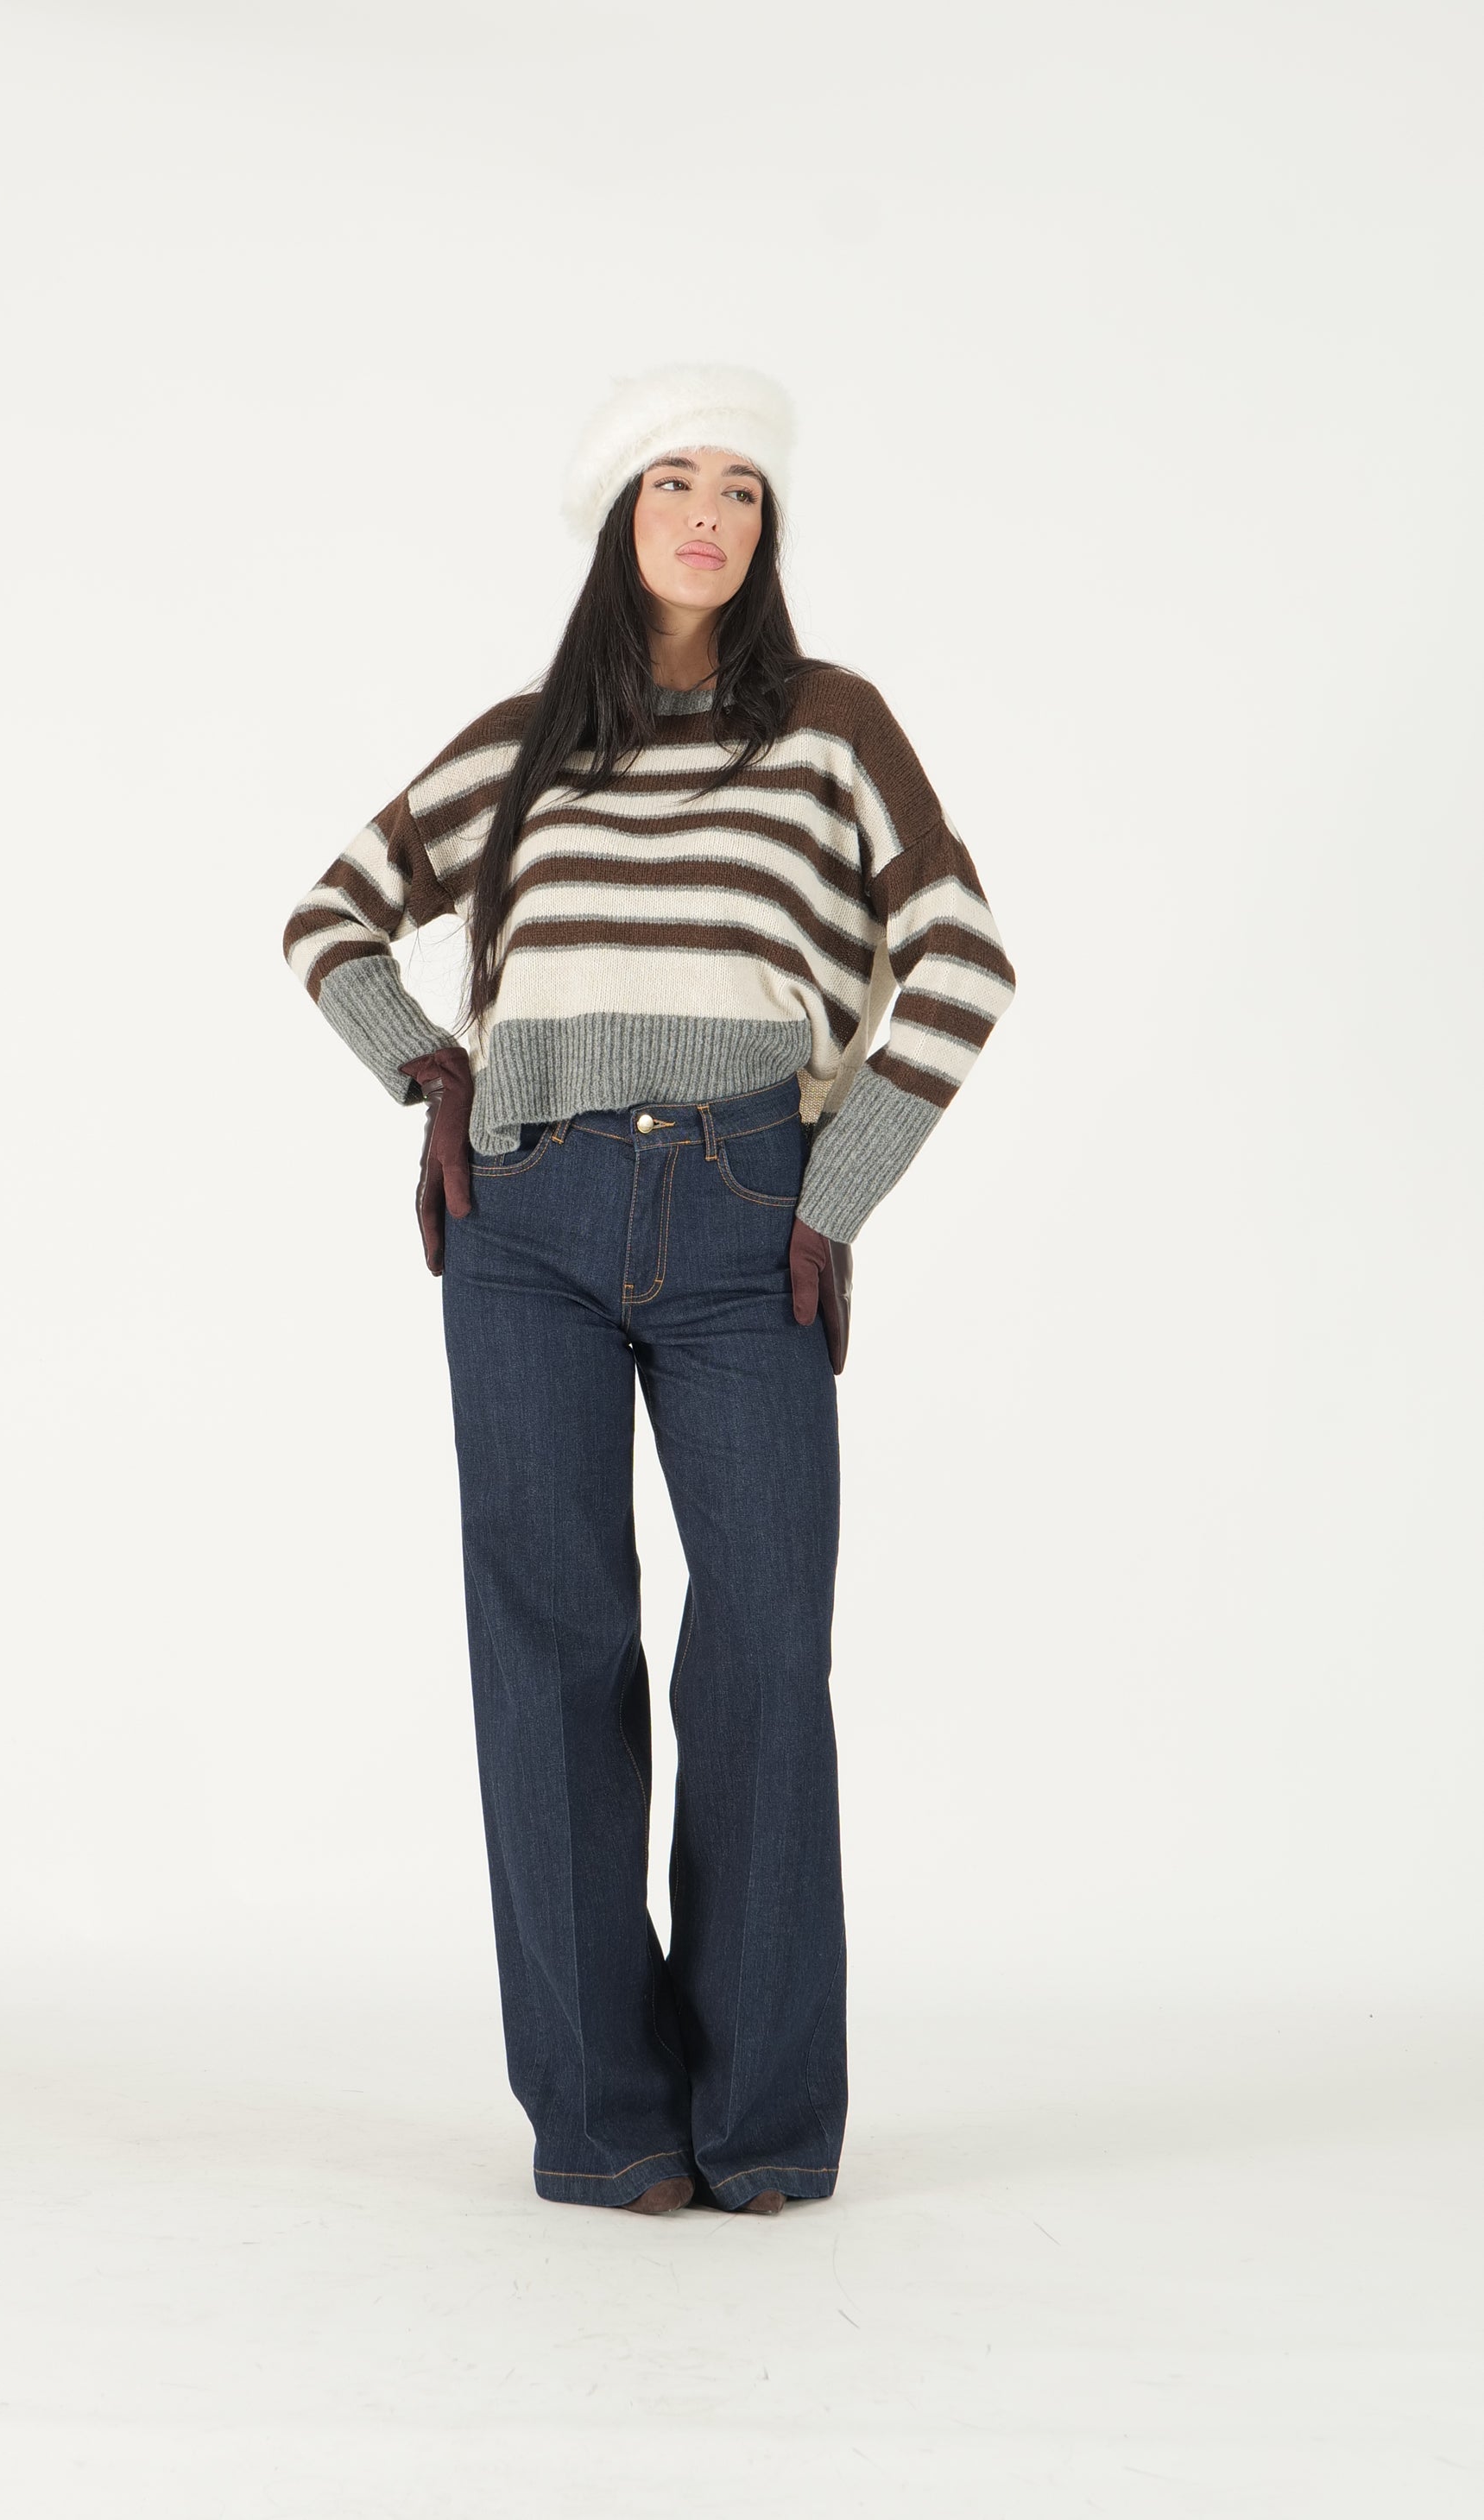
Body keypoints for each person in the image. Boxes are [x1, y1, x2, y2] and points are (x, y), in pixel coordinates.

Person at [282, 364, 1016, 2217]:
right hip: (523, 1219)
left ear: (769, 529)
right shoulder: (522, 745)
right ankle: (603, 2119)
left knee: (762, 1649)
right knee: (548, 1657)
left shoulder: (830, 726)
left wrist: (835, 1194)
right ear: (616, 515)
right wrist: (429, 1073)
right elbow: (329, 916)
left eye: (742, 489)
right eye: (674, 480)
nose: (709, 514)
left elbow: (960, 955)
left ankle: (761, 2121)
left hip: (744, 1209)